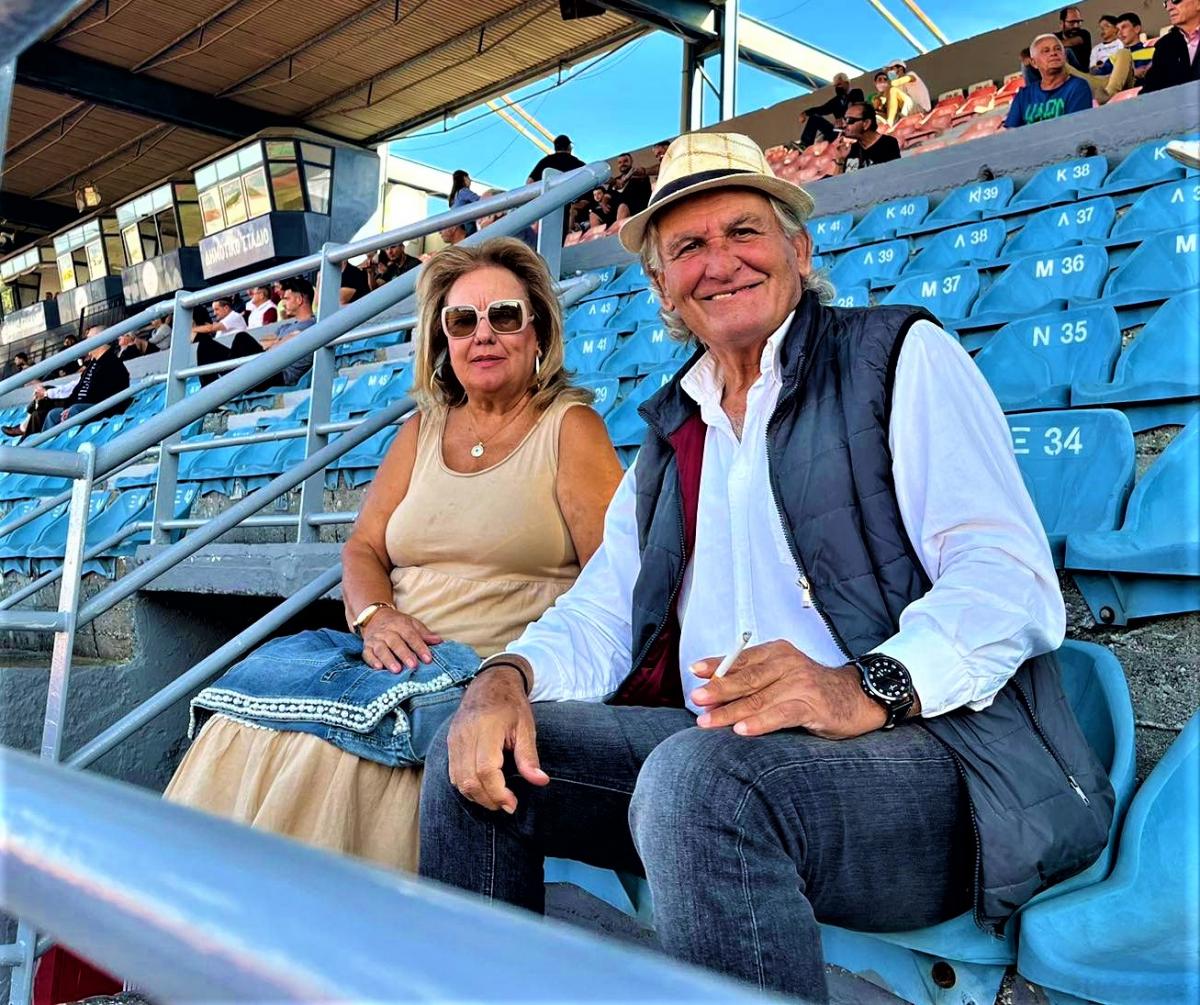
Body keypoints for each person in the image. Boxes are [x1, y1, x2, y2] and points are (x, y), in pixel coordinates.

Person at [418, 132, 1114, 1003]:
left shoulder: (897, 355)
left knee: (700, 782)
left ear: (800, 248)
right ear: (662, 286)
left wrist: (865, 686)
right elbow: (602, 613)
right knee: (477, 746)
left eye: (743, 231)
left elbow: (1007, 577)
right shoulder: (674, 432)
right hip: (732, 758)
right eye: (688, 247)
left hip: (941, 761)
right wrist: (505, 676)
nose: (719, 263)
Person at [164, 236, 622, 876]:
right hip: (387, 660)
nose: (483, 335)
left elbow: (613, 584)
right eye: (462, 321)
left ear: (538, 331)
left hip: (486, 671)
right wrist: (375, 616)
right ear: (442, 340)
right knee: (246, 727)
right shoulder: (421, 428)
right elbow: (364, 547)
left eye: (504, 316)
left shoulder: (571, 428)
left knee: (326, 751)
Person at [193, 279, 317, 390]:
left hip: (279, 375)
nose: (283, 303)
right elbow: (264, 343)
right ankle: (208, 393)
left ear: (299, 300)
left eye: (287, 299)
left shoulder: (310, 326)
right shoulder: (287, 327)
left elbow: (275, 348)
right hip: (266, 366)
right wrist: (282, 340)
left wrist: (276, 343)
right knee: (206, 346)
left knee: (242, 338)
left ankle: (229, 383)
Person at [42, 332, 130, 430]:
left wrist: (74, 407)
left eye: (88, 338)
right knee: (53, 414)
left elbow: (104, 396)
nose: (85, 342)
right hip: (80, 407)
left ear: (99, 340)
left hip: (101, 409)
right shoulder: (92, 365)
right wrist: (68, 407)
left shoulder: (113, 364)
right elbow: (77, 390)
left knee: (75, 410)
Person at [1004, 34, 1093, 128]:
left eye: (1058, 49)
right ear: (1034, 63)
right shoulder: (1023, 95)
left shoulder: (1078, 86)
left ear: (1065, 57)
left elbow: (1074, 128)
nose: (1053, 53)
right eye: (1046, 51)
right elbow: (1010, 130)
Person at [1141, 0, 1200, 93]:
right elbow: (1149, 90)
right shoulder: (1164, 45)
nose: (1169, 7)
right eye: (1166, 2)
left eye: (1175, 0)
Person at [832, 101, 901, 172]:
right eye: (844, 120)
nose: (844, 125)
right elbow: (841, 179)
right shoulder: (851, 150)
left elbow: (893, 174)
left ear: (866, 124)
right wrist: (840, 159)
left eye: (849, 120)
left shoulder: (888, 144)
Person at [798, 73, 863, 147]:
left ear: (847, 83)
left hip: (851, 132)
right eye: (835, 86)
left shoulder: (856, 93)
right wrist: (805, 113)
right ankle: (804, 145)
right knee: (814, 119)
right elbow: (822, 109)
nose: (837, 88)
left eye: (839, 85)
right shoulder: (836, 101)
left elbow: (858, 109)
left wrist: (844, 120)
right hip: (837, 132)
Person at [882, 59, 931, 126]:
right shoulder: (898, 87)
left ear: (900, 68)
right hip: (909, 109)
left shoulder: (911, 74)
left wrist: (891, 84)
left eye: (891, 69)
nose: (889, 72)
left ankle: (890, 122)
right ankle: (891, 122)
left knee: (893, 90)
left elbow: (900, 81)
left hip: (922, 109)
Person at [608, 152, 652, 221]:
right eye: (620, 162)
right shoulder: (615, 181)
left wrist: (625, 179)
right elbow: (608, 195)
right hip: (615, 214)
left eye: (625, 161)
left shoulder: (639, 175)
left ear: (631, 161)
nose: (622, 164)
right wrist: (604, 202)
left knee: (623, 206)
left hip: (637, 211)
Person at [1116, 12, 1156, 81]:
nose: (1119, 33)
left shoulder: (1154, 51)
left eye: (1124, 27)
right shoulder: (1114, 57)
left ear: (1137, 29)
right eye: (1117, 30)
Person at [1056, 6, 1093, 72]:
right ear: (1062, 23)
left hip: (1081, 71)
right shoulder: (1055, 37)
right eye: (1072, 22)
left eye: (1079, 22)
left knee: (1067, 51)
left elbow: (1070, 43)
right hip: (1061, 72)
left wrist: (1050, 46)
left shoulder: (1084, 34)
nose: (1076, 25)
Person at [449, 169, 481, 236]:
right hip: (467, 227)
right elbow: (479, 200)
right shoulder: (463, 191)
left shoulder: (453, 197)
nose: (470, 181)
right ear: (464, 178)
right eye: (469, 178)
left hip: (459, 228)